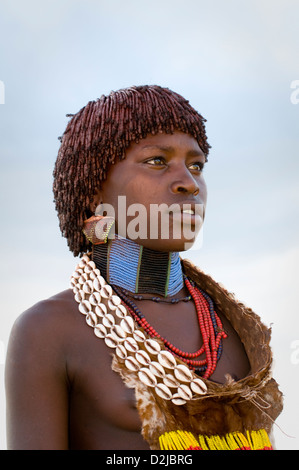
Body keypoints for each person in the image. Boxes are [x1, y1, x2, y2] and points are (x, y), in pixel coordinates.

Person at [5, 85, 283, 450]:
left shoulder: (234, 325)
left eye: (196, 165)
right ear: (94, 191)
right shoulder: (49, 331)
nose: (189, 183)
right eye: (157, 161)